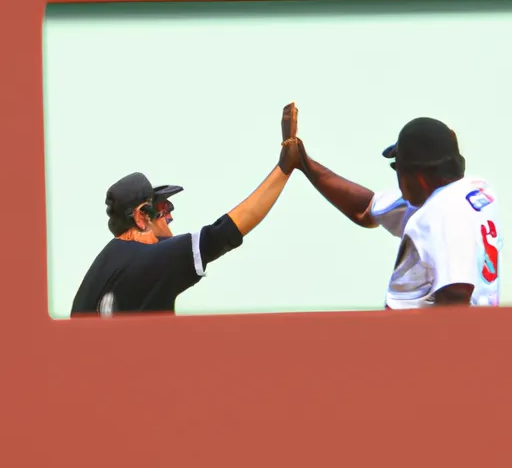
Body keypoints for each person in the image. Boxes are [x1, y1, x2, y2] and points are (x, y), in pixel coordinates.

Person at [70, 102, 301, 317]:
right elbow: (221, 233)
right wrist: (284, 167)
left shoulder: (102, 266)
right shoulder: (150, 259)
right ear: (141, 216)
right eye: (162, 208)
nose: (170, 215)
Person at [294, 116, 502, 309]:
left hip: (427, 342)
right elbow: (365, 209)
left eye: (396, 167)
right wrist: (305, 164)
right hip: (475, 330)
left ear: (418, 177)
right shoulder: (477, 192)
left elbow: (456, 295)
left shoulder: (441, 214)